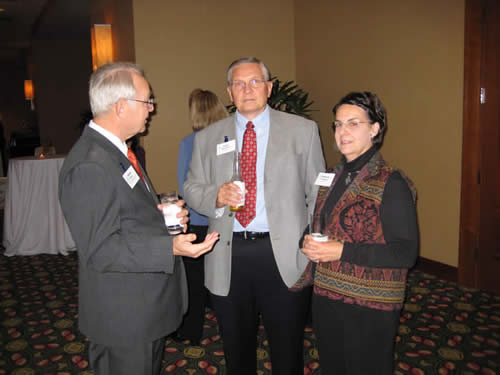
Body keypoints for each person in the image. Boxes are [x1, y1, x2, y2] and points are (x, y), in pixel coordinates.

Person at [58, 62, 219, 375]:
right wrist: (170, 248)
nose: (152, 108)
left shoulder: (116, 151)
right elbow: (102, 249)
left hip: (141, 308)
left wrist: (159, 211)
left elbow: (124, 209)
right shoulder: (91, 164)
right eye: (147, 100)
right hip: (124, 318)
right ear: (121, 107)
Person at [184, 57, 325, 374]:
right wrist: (215, 196)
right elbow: (191, 187)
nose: (247, 89)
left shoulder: (302, 131)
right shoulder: (208, 137)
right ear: (229, 93)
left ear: (269, 88)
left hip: (285, 255)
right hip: (228, 254)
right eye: (238, 83)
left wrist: (313, 240)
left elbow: (318, 191)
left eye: (255, 82)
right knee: (236, 349)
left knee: (287, 348)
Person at [295, 91, 418, 374]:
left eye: (353, 123)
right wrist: (306, 239)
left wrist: (341, 250)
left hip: (369, 305)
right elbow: (321, 221)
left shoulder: (392, 182)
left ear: (375, 129)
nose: (342, 131)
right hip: (327, 295)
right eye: (338, 124)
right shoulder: (331, 175)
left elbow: (405, 253)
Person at [175, 88, 228, 343]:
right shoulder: (231, 141)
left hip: (197, 223)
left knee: (193, 283)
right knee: (224, 278)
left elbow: (185, 186)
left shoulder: (189, 143)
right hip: (226, 222)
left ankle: (191, 331)